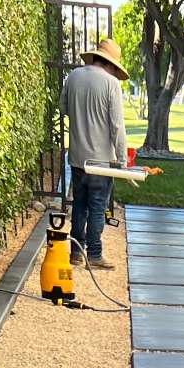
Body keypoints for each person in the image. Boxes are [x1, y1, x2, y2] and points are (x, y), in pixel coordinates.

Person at [61, 37, 129, 271]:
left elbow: (64, 108)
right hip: (101, 162)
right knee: (97, 207)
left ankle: (75, 253)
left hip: (78, 157)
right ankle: (95, 253)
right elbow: (116, 126)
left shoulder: (73, 77)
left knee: (79, 204)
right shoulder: (111, 84)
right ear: (111, 64)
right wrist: (122, 160)